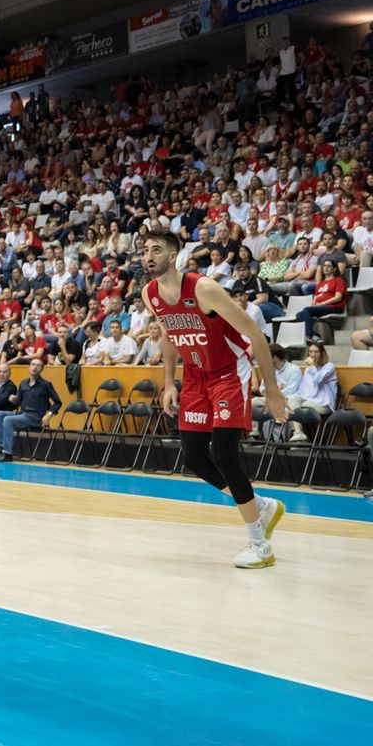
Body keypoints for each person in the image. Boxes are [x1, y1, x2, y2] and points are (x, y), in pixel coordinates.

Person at [142, 228, 288, 569]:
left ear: (174, 255)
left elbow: (255, 334)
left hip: (228, 371)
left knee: (223, 454)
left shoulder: (203, 288)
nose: (148, 256)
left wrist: (272, 390)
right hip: (195, 375)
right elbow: (169, 335)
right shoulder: (150, 294)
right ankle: (262, 507)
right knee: (194, 458)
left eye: (156, 250)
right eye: (145, 250)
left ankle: (259, 544)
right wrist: (169, 382)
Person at [0, 358, 61, 461]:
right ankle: (1, 447)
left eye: (38, 365)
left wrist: (49, 415)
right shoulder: (23, 383)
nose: (35, 367)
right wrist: (13, 399)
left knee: (8, 420)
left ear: (42, 369)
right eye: (33, 364)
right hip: (22, 414)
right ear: (29, 367)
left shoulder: (46, 385)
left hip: (35, 417)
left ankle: (7, 454)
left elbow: (58, 402)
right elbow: (18, 402)